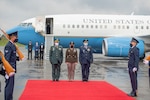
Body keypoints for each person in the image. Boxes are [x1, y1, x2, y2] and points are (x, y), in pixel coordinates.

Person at [4, 31, 20, 100]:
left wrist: (17, 58)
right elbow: (6, 59)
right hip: (9, 70)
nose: (16, 38)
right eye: (16, 37)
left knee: (11, 86)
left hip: (12, 69)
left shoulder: (12, 45)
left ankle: (10, 98)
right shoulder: (8, 46)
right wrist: (8, 70)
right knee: (9, 86)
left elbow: (12, 57)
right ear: (12, 37)